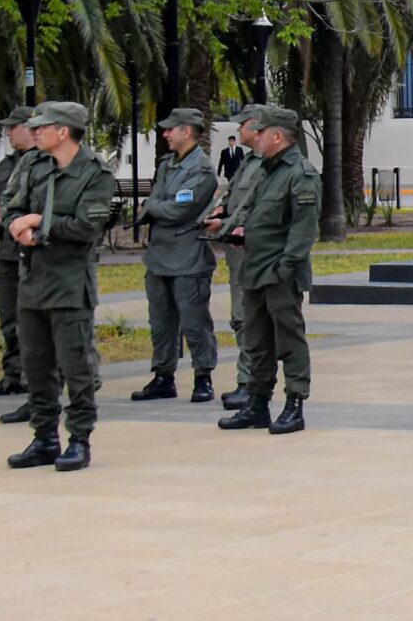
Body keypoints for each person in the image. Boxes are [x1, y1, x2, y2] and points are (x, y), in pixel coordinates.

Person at [1, 102, 114, 471]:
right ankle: (44, 437)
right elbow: (11, 205)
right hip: (32, 280)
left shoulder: (95, 174)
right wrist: (18, 224)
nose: (35, 131)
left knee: (76, 366)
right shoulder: (35, 165)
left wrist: (40, 222)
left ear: (63, 131)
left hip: (69, 285)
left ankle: (79, 438)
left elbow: (85, 227)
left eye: (43, 126)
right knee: (37, 366)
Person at [216, 105, 315, 434]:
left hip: (279, 273)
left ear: (276, 136)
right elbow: (258, 216)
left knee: (289, 340)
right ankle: (257, 405)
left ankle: (295, 404)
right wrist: (242, 233)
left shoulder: (299, 173)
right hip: (255, 269)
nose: (255, 137)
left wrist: (285, 268)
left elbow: (303, 230)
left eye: (260, 132)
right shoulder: (264, 171)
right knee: (257, 341)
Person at [133, 107, 220, 403]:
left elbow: (178, 210)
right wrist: (156, 205)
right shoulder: (168, 164)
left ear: (187, 131)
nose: (166, 134)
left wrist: (151, 208)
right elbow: (160, 201)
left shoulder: (202, 170)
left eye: (171, 129)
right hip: (159, 257)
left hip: (187, 256)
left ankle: (203, 376)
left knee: (194, 322)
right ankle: (163, 376)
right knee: (160, 321)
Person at [202, 107, 265, 414]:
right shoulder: (248, 162)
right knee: (240, 317)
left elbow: (259, 209)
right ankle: (246, 381)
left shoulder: (265, 163)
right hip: (237, 252)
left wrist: (228, 224)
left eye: (242, 125)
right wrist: (221, 214)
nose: (238, 130)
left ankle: (250, 382)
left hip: (252, 251)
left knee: (248, 317)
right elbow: (235, 202)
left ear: (256, 126)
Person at [0, 110, 42, 409]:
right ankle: (12, 373)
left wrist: (6, 211)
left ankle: (36, 378)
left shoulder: (41, 163)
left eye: (13, 127)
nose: (8, 133)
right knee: (8, 315)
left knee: (30, 318)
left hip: (29, 250)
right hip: (6, 250)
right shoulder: (6, 165)